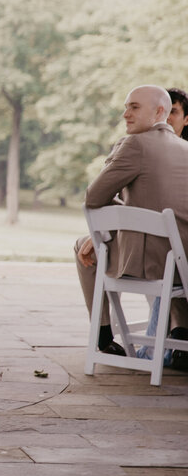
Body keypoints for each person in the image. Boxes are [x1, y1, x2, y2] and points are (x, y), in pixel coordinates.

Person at [74, 85, 188, 355]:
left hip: (150, 264)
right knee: (171, 249)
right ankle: (181, 334)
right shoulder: (185, 148)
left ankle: (102, 336)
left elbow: (93, 198)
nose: (126, 114)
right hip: (182, 264)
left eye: (134, 107)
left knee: (84, 245)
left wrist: (118, 222)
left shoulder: (134, 144)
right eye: (126, 107)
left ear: (159, 112)